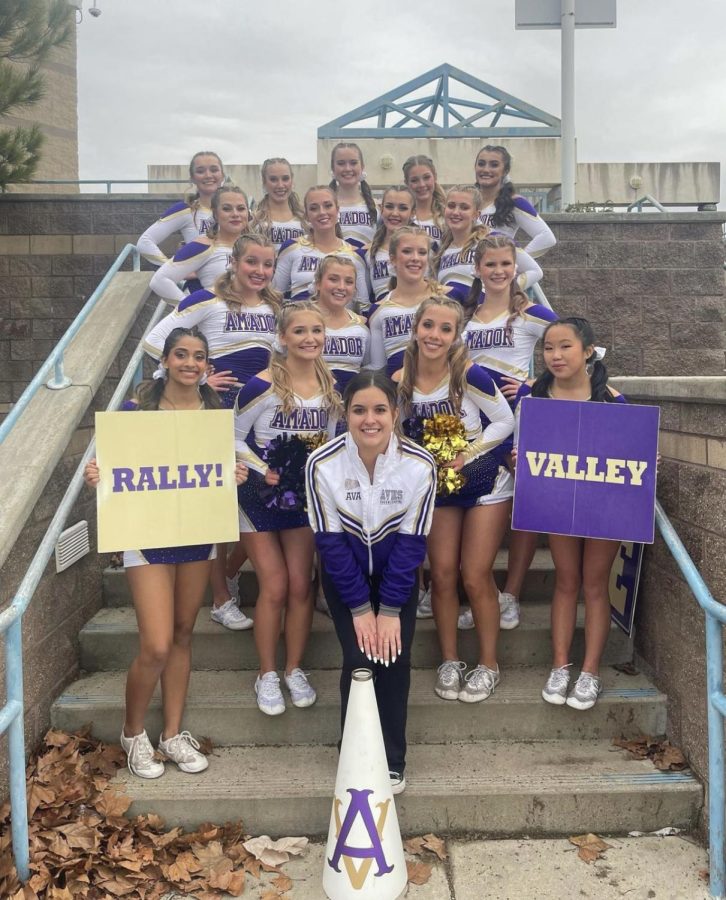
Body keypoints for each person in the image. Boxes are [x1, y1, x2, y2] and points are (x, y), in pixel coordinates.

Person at [83, 327, 249, 778]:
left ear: (207, 365)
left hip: (195, 531)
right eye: (181, 354)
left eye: (198, 356)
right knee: (155, 645)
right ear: (167, 360)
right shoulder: (138, 409)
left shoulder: (215, 409)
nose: (190, 363)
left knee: (181, 633)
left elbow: (227, 461)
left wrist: (232, 473)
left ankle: (172, 733)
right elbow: (107, 463)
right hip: (146, 533)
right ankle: (133, 732)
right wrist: (97, 474)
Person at [306, 371, 437, 793]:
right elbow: (330, 543)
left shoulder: (420, 464)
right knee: (360, 659)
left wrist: (391, 609)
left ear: (395, 414)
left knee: (394, 660)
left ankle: (393, 759)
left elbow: (412, 544)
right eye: (359, 410)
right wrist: (362, 610)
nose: (370, 420)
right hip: (345, 576)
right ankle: (356, 756)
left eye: (380, 409)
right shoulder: (321, 463)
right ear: (345, 413)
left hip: (396, 576)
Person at [143, 233, 281, 629]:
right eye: (251, 262)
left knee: (253, 503)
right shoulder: (206, 299)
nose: (259, 271)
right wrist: (201, 377)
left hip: (255, 419)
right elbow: (154, 343)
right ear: (234, 262)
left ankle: (232, 575)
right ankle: (220, 598)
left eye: (267, 264)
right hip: (215, 413)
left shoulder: (275, 306)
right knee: (219, 506)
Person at [395, 297, 514, 703]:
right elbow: (394, 431)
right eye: (428, 325)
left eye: (445, 329)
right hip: (438, 486)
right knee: (442, 573)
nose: (435, 335)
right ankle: (449, 660)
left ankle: (488, 664)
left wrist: (468, 452)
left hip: (482, 483)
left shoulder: (468, 374)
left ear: (456, 335)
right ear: (416, 327)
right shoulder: (401, 378)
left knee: (474, 574)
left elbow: (505, 421)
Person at [234, 303, 342, 716]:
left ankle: (294, 668)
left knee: (301, 584)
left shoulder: (331, 386)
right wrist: (265, 470)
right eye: (299, 331)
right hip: (259, 497)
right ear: (282, 337)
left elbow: (331, 445)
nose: (309, 338)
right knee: (274, 585)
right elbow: (234, 437)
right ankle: (266, 674)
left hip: (303, 498)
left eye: (316, 330)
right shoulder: (261, 385)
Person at [514, 317, 624, 711]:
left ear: (588, 351)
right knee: (566, 579)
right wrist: (517, 457)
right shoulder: (534, 397)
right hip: (557, 502)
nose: (555, 355)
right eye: (548, 348)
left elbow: (630, 451)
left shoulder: (611, 398)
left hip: (604, 505)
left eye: (565, 347)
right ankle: (560, 665)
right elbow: (520, 446)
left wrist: (646, 458)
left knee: (595, 585)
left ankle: (590, 671)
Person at [458, 234, 558, 631]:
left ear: (516, 268)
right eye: (491, 264)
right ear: (478, 269)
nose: (498, 271)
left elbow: (581, 351)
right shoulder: (464, 315)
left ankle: (511, 595)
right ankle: (487, 596)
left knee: (522, 508)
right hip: (474, 418)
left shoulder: (531, 313)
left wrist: (536, 384)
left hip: (520, 415)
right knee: (483, 498)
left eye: (505, 264)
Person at [435, 185, 542, 304]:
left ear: (476, 214)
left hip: (486, 317)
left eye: (464, 207)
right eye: (451, 206)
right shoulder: (443, 248)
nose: (455, 212)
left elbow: (534, 271)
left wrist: (505, 292)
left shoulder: (493, 240)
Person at [149, 185, 250, 305]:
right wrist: (192, 312)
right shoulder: (203, 244)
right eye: (227, 209)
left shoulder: (256, 247)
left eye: (241, 208)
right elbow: (159, 281)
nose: (235, 214)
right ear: (215, 213)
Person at [367, 226, 446, 377]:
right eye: (407, 251)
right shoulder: (378, 310)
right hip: (398, 393)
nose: (415, 258)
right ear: (392, 258)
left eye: (422, 252)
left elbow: (458, 356)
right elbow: (378, 369)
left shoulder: (445, 300)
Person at [273, 185, 369, 307]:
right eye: (314, 208)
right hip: (302, 321)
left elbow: (363, 305)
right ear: (306, 215)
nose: (322, 212)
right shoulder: (291, 248)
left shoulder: (355, 255)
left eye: (328, 206)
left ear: (337, 210)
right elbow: (275, 296)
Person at [137, 151, 226, 267]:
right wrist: (175, 269)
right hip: (199, 284)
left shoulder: (236, 210)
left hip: (233, 283)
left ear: (222, 175)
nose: (208, 175)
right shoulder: (186, 210)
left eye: (214, 170)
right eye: (200, 171)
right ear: (192, 178)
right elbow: (144, 243)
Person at [474, 145, 556, 258]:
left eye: (494, 165)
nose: (486, 169)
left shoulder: (515, 202)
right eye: (481, 164)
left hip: (494, 273)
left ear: (505, 170)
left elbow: (546, 237)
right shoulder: (467, 201)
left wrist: (514, 262)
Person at [312, 255, 369, 393]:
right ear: (318, 283)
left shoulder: (361, 327)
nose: (341, 287)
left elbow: (370, 368)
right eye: (333, 279)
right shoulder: (299, 319)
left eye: (349, 282)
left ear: (355, 289)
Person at [328, 142, 378, 250]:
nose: (347, 168)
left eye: (353, 163)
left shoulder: (377, 207)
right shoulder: (323, 207)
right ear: (333, 167)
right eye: (341, 163)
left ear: (362, 166)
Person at [252, 157, 306, 253]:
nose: (280, 185)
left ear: (292, 180)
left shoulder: (306, 219)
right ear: (264, 182)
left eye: (285, 179)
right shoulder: (254, 221)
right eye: (273, 179)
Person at [402, 155, 446, 245]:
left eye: (426, 177)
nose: (421, 184)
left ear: (435, 177)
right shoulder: (401, 216)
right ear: (406, 183)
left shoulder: (448, 215)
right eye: (414, 180)